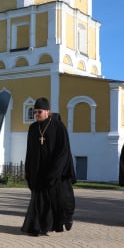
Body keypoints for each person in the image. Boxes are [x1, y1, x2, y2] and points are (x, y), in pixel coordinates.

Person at [21, 97, 76, 236]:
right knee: (38, 201)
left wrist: (55, 171)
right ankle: (37, 227)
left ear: (47, 112)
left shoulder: (58, 126)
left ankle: (66, 219)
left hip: (55, 172)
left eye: (39, 111)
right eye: (35, 112)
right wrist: (28, 171)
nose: (36, 114)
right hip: (38, 172)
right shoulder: (33, 128)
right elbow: (30, 152)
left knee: (60, 201)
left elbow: (63, 151)